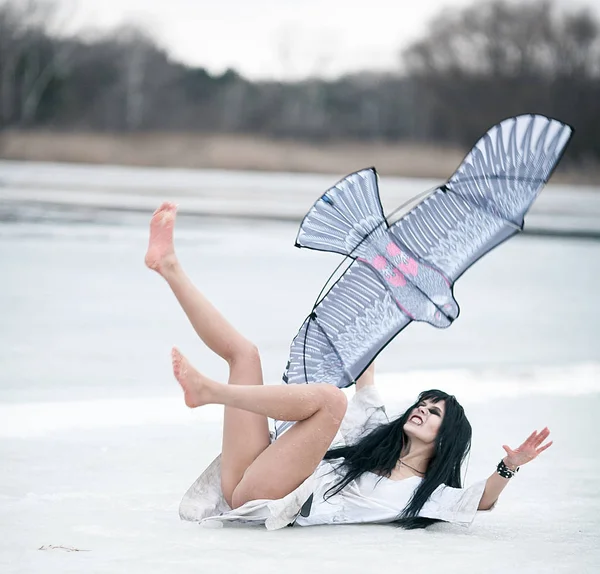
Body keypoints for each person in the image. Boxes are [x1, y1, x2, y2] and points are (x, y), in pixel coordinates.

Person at [145, 201, 553, 530]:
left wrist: (509, 466)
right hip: (246, 478)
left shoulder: (423, 494)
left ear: (445, 437)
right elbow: (366, 372)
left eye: (433, 413)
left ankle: (210, 393)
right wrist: (382, 279)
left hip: (270, 499)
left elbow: (480, 501)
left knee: (330, 401)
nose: (421, 410)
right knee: (245, 355)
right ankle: (169, 266)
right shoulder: (375, 435)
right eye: (423, 404)